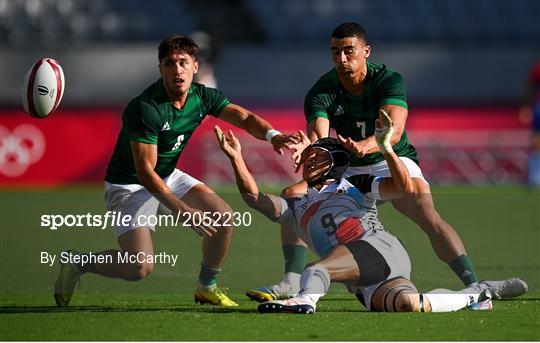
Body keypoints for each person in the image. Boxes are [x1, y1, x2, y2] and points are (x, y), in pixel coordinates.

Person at [245, 22, 527, 301]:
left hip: (389, 158)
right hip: (348, 167)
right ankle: (291, 282)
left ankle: (474, 286)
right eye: (335, 52)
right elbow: (320, 135)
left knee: (427, 214)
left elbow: (394, 131)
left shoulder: (388, 80)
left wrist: (366, 146)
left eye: (348, 51)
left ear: (366, 51)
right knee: (296, 197)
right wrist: (310, 147)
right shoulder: (321, 91)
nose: (341, 59)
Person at [53, 34, 296, 308]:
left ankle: (206, 287)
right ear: (160, 69)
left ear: (195, 66)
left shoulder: (201, 97)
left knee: (223, 216)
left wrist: (273, 135)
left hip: (167, 175)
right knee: (139, 268)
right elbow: (145, 172)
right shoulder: (146, 108)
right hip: (129, 186)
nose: (176, 69)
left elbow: (244, 117)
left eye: (183, 62)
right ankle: (78, 263)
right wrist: (183, 210)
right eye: (169, 63)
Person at [215, 110, 509, 314]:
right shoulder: (295, 206)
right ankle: (477, 293)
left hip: (377, 249)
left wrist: (386, 149)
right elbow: (253, 198)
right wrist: (236, 158)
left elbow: (404, 188)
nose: (309, 160)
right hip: (364, 279)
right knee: (409, 305)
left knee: (316, 270)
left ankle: (305, 300)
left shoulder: (355, 183)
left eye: (317, 156)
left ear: (334, 163)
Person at [519, 60, 540, 187]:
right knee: (536, 142)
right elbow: (530, 87)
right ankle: (534, 175)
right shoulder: (537, 68)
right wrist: (526, 106)